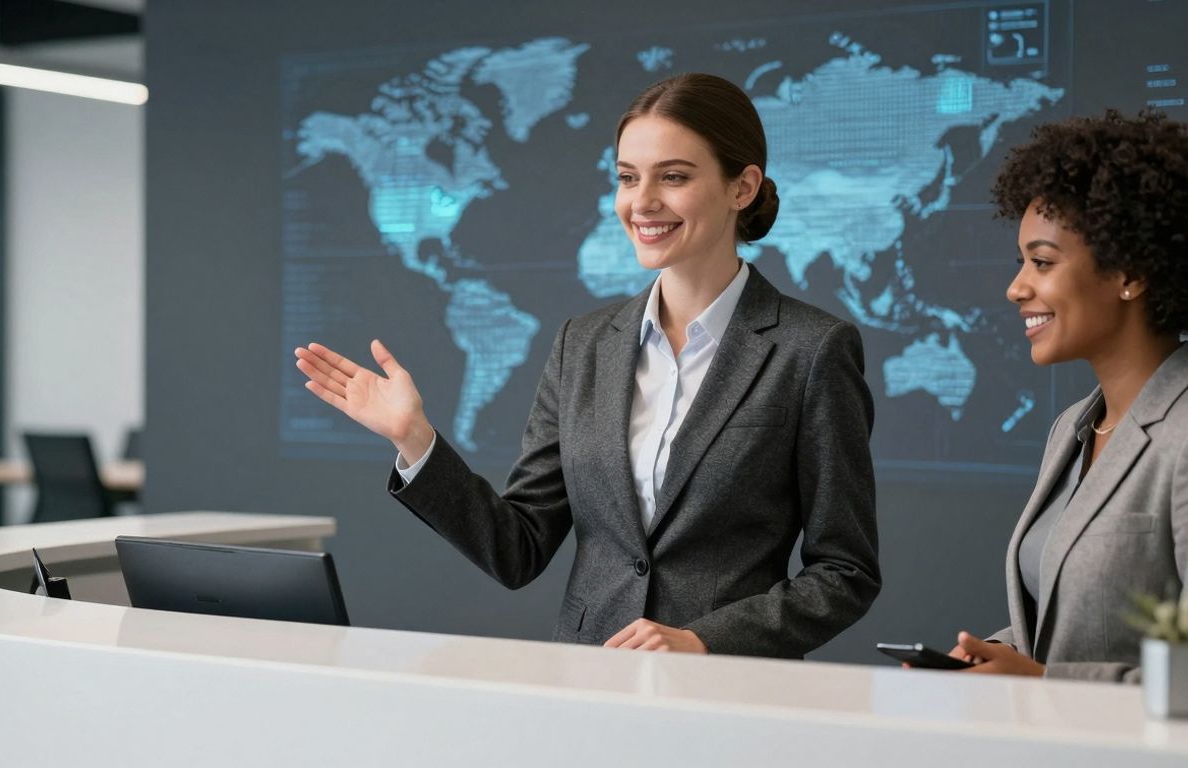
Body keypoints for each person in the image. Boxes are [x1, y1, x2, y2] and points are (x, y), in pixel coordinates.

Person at [295, 73, 880, 656]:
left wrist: (703, 639)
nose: (641, 202)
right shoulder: (583, 344)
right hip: (589, 679)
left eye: (673, 176)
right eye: (628, 177)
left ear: (742, 187)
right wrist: (415, 439)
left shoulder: (812, 350)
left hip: (725, 691)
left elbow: (844, 572)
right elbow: (518, 548)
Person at [945, 111, 1188, 681]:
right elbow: (1065, 625)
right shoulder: (1073, 428)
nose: (1016, 287)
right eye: (1022, 263)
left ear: (1130, 273)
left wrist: (1041, 683)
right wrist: (992, 654)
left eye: (1042, 262)